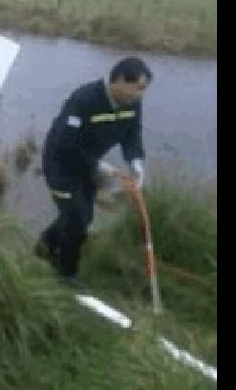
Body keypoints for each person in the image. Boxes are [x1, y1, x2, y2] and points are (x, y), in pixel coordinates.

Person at [35, 57, 153, 287]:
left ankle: (44, 247)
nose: (140, 95)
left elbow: (132, 135)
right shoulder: (85, 99)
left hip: (89, 167)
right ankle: (66, 274)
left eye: (143, 89)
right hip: (62, 165)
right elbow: (65, 141)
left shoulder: (133, 104)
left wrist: (136, 163)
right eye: (137, 87)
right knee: (77, 220)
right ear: (119, 80)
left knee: (83, 215)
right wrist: (99, 167)